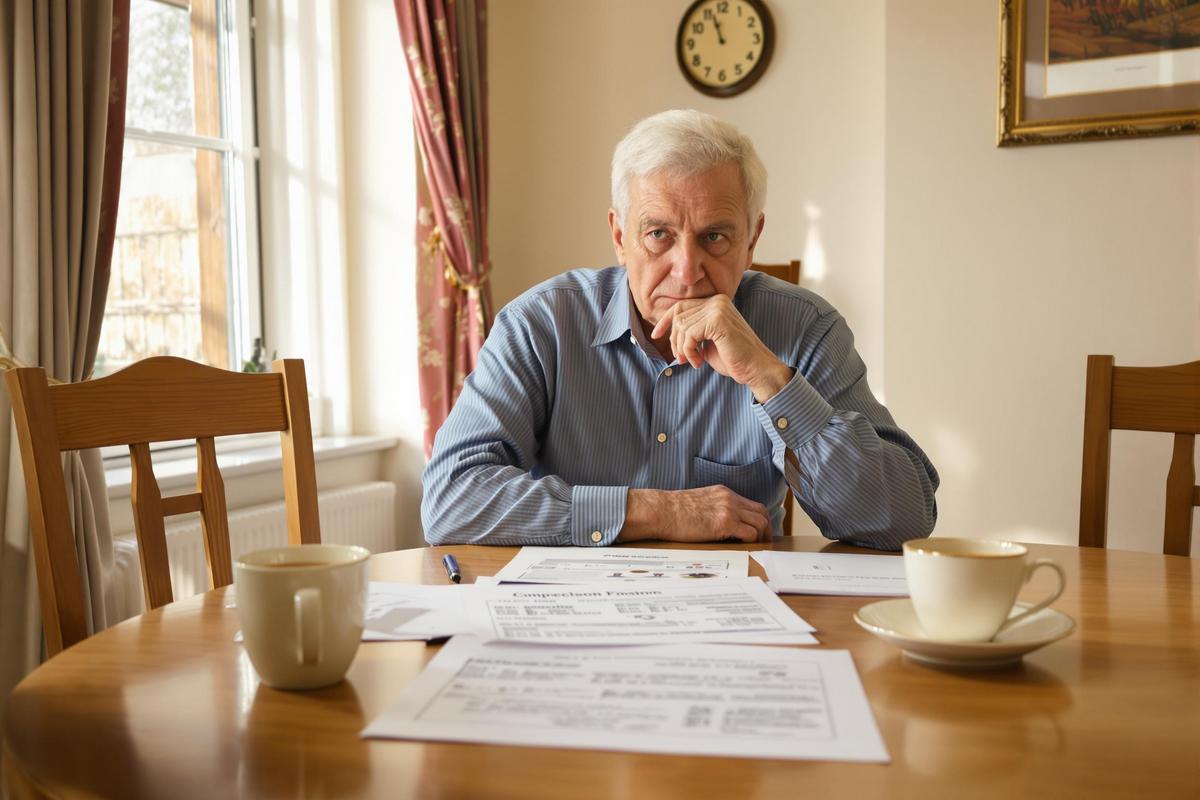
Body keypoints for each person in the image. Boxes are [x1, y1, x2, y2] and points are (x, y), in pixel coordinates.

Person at [422, 109, 938, 551]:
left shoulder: (806, 329)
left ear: (751, 240)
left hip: (744, 625)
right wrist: (656, 511)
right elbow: (450, 500)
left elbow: (907, 519)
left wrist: (769, 378)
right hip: (578, 625)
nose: (686, 270)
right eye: (658, 235)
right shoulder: (540, 326)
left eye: (714, 236)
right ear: (620, 237)